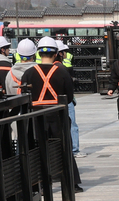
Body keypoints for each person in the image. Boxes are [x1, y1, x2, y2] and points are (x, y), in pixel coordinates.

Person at [20, 37, 83, 192]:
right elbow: (69, 96)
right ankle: (71, 183)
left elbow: (23, 95)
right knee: (64, 148)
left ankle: (37, 185)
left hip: (36, 116)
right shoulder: (62, 72)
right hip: (58, 115)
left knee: (37, 150)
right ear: (56, 54)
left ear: (39, 54)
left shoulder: (29, 73)